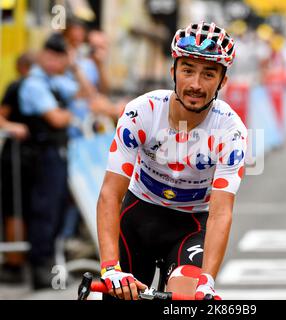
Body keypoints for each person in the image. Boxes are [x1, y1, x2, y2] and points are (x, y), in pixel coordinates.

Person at [97, 22, 247, 300]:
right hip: (138, 217)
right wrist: (110, 268)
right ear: (173, 72)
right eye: (188, 70)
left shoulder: (231, 131)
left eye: (208, 74)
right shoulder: (141, 113)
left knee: (185, 299)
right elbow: (110, 192)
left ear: (222, 81)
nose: (195, 84)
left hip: (191, 225)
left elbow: (221, 212)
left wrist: (208, 281)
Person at [18, 33, 92, 289]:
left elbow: (85, 94)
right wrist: (70, 115)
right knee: (44, 213)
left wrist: (74, 67)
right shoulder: (35, 84)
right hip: (40, 157)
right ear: (45, 55)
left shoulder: (55, 82)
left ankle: (49, 266)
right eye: (55, 56)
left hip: (56, 155)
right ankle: (39, 270)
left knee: (57, 212)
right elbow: (57, 119)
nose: (58, 62)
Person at [0, 52, 34, 284]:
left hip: (31, 159)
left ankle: (23, 259)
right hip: (15, 158)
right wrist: (13, 127)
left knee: (26, 209)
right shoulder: (16, 86)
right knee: (14, 210)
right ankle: (14, 261)